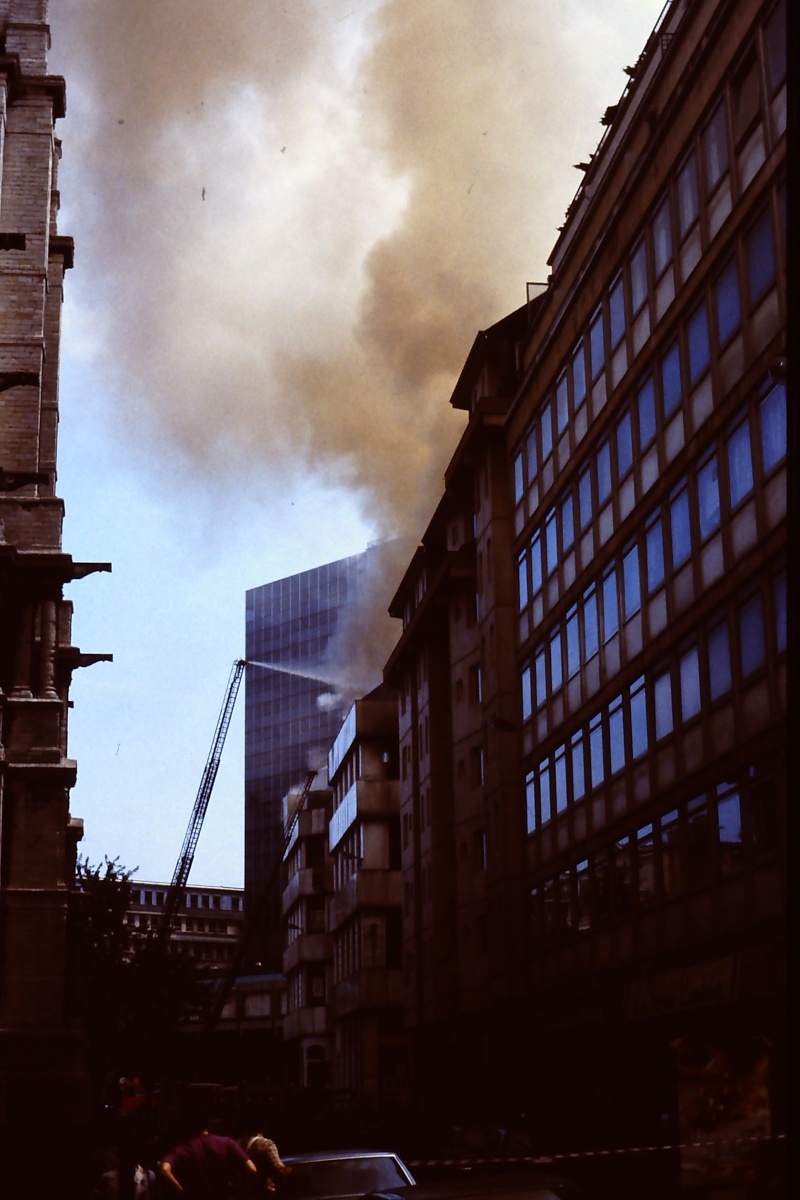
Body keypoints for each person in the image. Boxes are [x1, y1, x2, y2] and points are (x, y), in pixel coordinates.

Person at [159, 1121, 257, 1199]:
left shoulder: (184, 1148)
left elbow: (164, 1169)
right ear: (207, 1124)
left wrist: (182, 1191)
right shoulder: (227, 1143)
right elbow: (251, 1168)